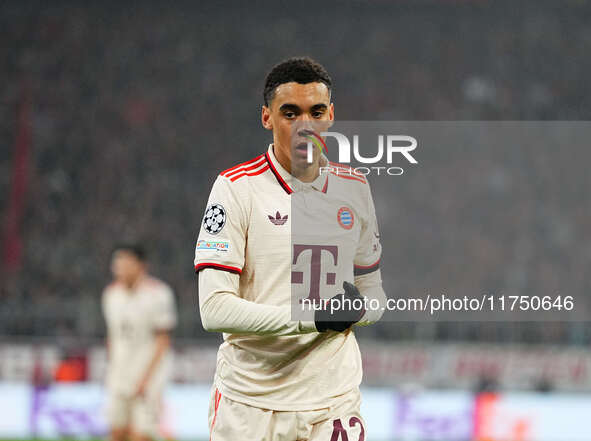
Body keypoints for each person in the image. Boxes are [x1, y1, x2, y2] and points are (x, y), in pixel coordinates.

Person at [195, 57, 386, 441]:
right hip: (251, 403)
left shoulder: (355, 187)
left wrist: (356, 311)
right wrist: (312, 318)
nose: (305, 125)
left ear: (331, 115)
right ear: (267, 118)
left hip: (333, 400)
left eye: (316, 112)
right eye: (290, 113)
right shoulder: (235, 188)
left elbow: (374, 293)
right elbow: (213, 309)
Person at [102, 244, 177, 441]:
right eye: (117, 264)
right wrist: (111, 370)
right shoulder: (110, 295)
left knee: (142, 435)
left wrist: (147, 379)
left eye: (125, 263)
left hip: (147, 376)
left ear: (140, 265)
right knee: (116, 432)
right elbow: (112, 337)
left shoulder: (158, 294)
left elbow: (163, 341)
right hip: (118, 375)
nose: (120, 269)